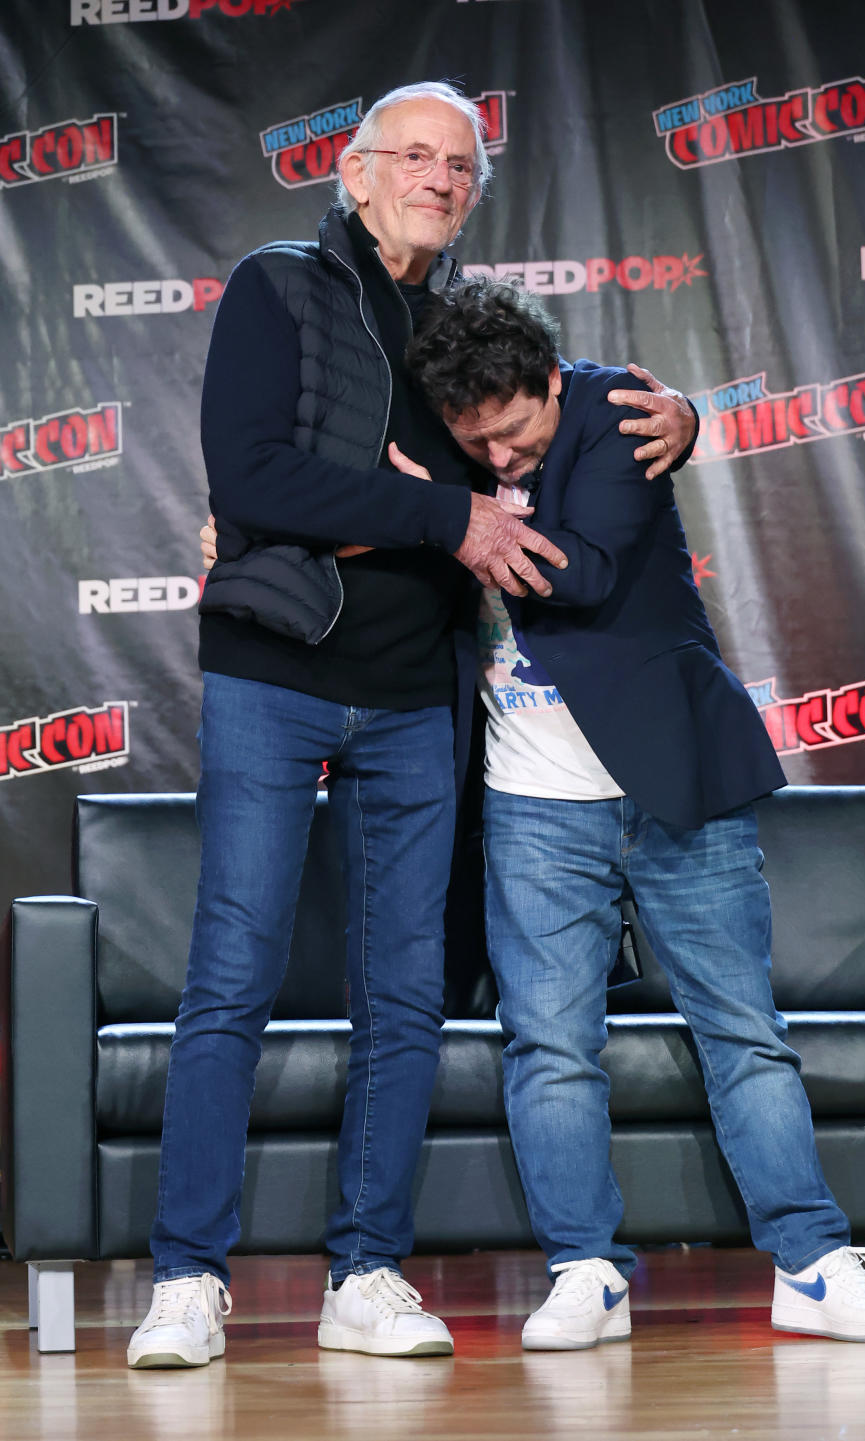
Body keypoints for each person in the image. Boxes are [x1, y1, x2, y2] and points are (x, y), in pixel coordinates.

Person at [128, 81, 697, 1370]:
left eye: (460, 164)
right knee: (232, 972)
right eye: (416, 157)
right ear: (357, 167)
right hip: (275, 667)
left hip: (415, 692)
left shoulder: (465, 322)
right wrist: (441, 516)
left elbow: (552, 440)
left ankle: (367, 1271)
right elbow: (251, 477)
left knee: (403, 991)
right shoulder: (277, 286)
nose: (439, 178)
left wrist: (690, 417)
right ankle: (185, 1277)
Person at [398, 279, 865, 1351]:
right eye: (477, 446)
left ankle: (813, 1262)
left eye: (515, 432)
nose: (500, 459)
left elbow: (581, 574)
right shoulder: (457, 447)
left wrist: (457, 518)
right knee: (547, 1044)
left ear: (551, 383)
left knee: (743, 1031)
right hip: (532, 800)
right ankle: (585, 1268)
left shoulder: (622, 412)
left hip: (672, 781)